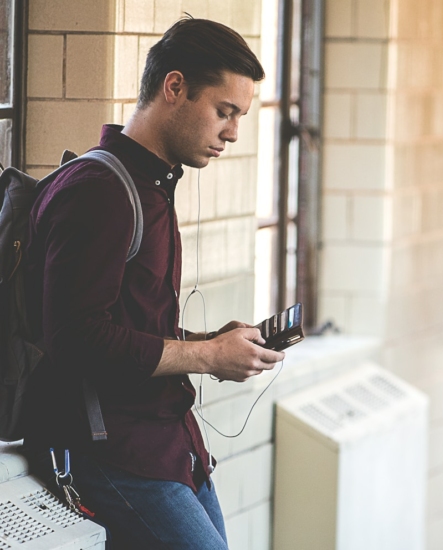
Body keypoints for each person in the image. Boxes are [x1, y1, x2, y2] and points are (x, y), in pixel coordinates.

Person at [21, 17, 284, 549]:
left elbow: (131, 328)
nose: (233, 132)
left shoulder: (150, 186)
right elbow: (76, 337)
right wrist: (209, 358)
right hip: (110, 452)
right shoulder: (101, 190)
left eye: (239, 116)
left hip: (166, 444)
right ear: (175, 87)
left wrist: (212, 344)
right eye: (224, 111)